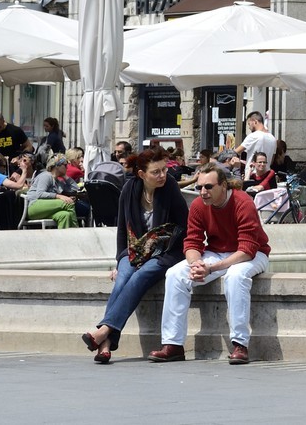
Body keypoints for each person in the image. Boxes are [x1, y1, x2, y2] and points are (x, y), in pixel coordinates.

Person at [149, 162, 271, 365]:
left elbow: (248, 248)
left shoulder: (243, 202)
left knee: (235, 276)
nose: (202, 192)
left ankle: (240, 345)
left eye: (208, 187)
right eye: (199, 187)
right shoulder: (198, 205)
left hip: (254, 253)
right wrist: (196, 264)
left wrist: (212, 268)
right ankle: (173, 345)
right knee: (175, 274)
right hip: (217, 252)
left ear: (224, 185)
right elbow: (192, 241)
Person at [82, 147, 189, 364]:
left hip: (165, 253)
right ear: (142, 174)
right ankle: (105, 341)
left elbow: (185, 227)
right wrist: (120, 260)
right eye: (156, 172)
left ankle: (103, 334)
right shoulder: (129, 189)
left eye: (164, 170)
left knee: (140, 276)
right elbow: (122, 229)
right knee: (123, 276)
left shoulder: (170, 188)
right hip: (135, 251)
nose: (162, 176)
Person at [22, 153, 82, 229]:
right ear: (57, 166)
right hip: (33, 206)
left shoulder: (59, 182)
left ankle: (64, 239)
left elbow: (75, 188)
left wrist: (65, 176)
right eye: (65, 165)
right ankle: (76, 232)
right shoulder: (46, 176)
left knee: (65, 215)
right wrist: (59, 196)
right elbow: (40, 194)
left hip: (46, 208)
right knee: (68, 203)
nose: (67, 168)